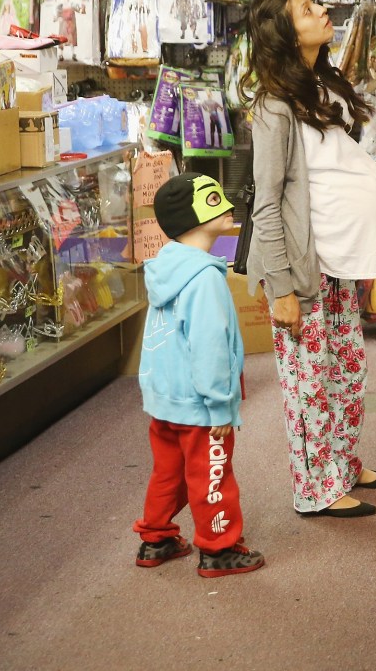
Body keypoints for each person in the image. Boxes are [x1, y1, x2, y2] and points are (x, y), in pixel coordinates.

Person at [246, 0, 376, 519]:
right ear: (285, 33)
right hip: (301, 272)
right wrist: (281, 289)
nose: (323, 11)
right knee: (308, 383)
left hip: (336, 262)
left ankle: (343, 463)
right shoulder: (273, 107)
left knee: (346, 373)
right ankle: (315, 488)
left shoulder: (321, 87)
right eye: (307, 10)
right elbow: (266, 205)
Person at [133, 173, 264, 578]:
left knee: (168, 474)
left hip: (165, 398)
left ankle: (156, 538)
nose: (228, 204)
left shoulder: (167, 267)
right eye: (213, 199)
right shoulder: (205, 278)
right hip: (200, 405)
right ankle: (218, 549)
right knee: (213, 476)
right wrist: (220, 405)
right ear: (192, 216)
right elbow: (209, 346)